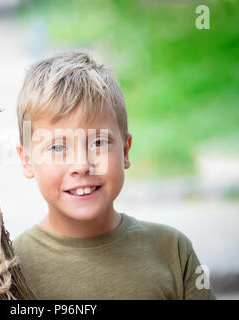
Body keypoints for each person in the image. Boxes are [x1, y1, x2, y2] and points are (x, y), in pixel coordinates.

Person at [13, 51, 216, 300]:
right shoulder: (10, 267)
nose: (81, 165)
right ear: (27, 160)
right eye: (57, 147)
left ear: (125, 151)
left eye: (98, 142)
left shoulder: (172, 251)